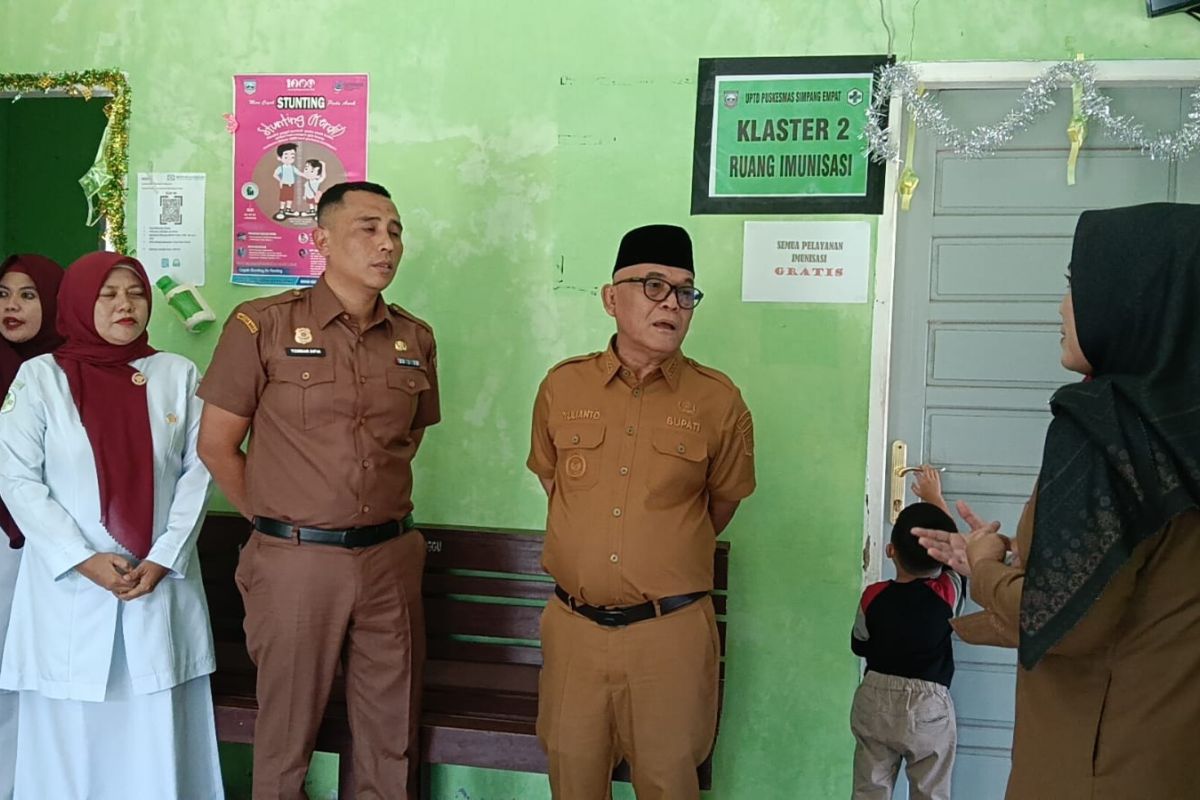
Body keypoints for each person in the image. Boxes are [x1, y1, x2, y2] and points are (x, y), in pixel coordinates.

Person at [915, 203, 1200, 799]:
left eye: (1076, 285)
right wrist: (1009, 561)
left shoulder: (1108, 431)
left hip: (1093, 760)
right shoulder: (1181, 425)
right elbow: (1140, 588)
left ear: (1133, 298)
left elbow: (1068, 623)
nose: (1063, 306)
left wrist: (987, 565)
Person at [198, 181, 440, 800]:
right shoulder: (262, 325)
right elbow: (217, 445)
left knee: (390, 740)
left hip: (389, 560)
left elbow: (406, 439)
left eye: (395, 231)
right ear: (321, 240)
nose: (387, 244)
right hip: (295, 564)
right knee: (286, 742)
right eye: (369, 228)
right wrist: (279, 523)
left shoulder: (415, 339)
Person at [527, 223, 756, 799]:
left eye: (685, 292)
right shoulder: (562, 387)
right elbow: (555, 483)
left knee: (669, 782)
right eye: (654, 286)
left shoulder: (718, 400)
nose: (672, 304)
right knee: (573, 779)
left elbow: (722, 501)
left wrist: (656, 552)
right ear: (611, 298)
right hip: (575, 633)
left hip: (669, 635)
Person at [0, 252, 222, 799]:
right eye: (108, 294)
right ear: (78, 302)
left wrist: (165, 555)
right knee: (69, 745)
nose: (126, 304)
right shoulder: (41, 378)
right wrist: (81, 558)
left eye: (136, 293)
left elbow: (200, 470)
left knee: (155, 742)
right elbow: (17, 478)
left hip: (156, 583)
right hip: (68, 592)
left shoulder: (177, 375)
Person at [0, 253, 64, 800]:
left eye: (28, 294)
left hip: (55, 547)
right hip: (7, 542)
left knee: (36, 677)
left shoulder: (68, 371)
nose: (12, 306)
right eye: (2, 294)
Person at [850, 501, 963, 800]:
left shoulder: (873, 596)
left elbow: (859, 644)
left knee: (869, 789)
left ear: (891, 550)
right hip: (928, 705)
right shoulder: (946, 595)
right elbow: (956, 554)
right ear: (940, 558)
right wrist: (934, 496)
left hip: (875, 696)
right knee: (930, 790)